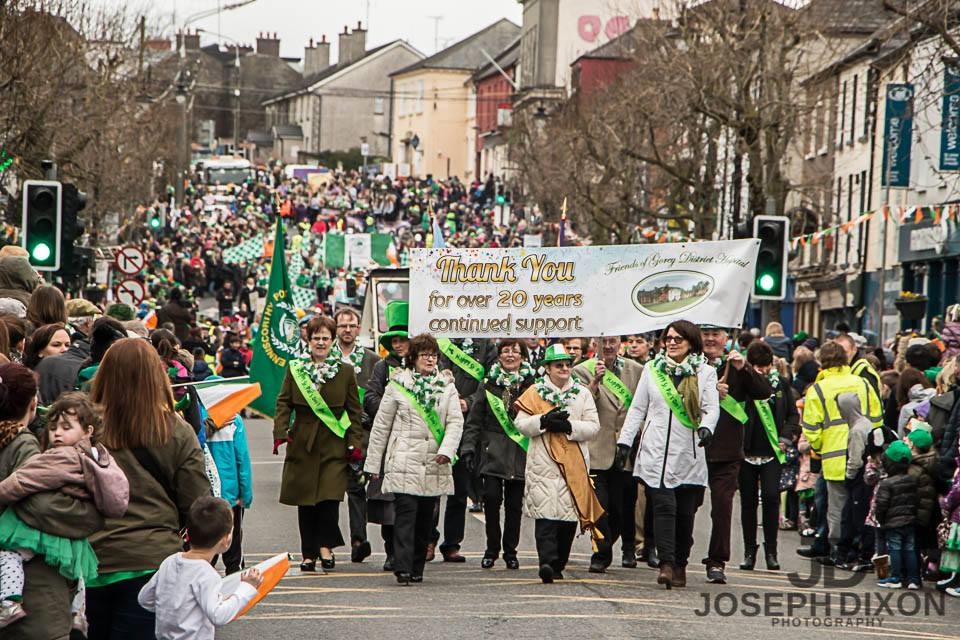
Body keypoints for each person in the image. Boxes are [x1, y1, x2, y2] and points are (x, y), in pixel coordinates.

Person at [86, 338, 211, 640]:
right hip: (151, 560)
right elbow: (197, 502)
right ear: (156, 376)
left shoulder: (82, 429)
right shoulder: (175, 430)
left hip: (87, 559)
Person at [0, 392, 129, 633]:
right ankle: (78, 612)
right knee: (76, 573)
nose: (57, 433)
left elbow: (23, 480)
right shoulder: (98, 457)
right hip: (72, 535)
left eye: (66, 427)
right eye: (53, 428)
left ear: (88, 431)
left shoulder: (60, 456)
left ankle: (8, 601)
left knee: (11, 554)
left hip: (39, 532)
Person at [617, 320, 719, 589]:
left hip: (688, 453)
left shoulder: (705, 372)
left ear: (691, 343)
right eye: (668, 338)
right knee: (663, 507)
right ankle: (666, 563)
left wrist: (707, 427)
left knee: (685, 514)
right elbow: (638, 409)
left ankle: (680, 564)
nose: (672, 343)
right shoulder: (652, 369)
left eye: (678, 339)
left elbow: (711, 408)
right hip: (655, 452)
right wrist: (625, 442)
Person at [364, 334, 463, 585]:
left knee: (425, 519)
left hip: (433, 461)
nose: (430, 360)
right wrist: (373, 465)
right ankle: (403, 566)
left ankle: (417, 565)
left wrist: (447, 450)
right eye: (424, 355)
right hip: (404, 459)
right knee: (405, 514)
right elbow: (381, 426)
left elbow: (455, 422)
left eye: (433, 355)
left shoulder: (447, 386)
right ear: (413, 358)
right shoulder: (398, 385)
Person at [273, 316, 363, 573]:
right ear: (308, 340)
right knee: (306, 502)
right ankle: (308, 553)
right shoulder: (295, 368)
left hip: (334, 442)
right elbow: (284, 402)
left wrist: (355, 442)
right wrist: (280, 431)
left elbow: (354, 411)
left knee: (329, 498)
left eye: (325, 338)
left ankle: (325, 546)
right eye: (316, 338)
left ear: (332, 340)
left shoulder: (345, 371)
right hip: (303, 442)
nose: (321, 343)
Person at [515, 343, 602, 584]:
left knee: (567, 519)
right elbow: (520, 424)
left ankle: (559, 564)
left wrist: (569, 426)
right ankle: (546, 562)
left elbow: (593, 426)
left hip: (573, 464)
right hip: (543, 464)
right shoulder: (534, 392)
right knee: (544, 517)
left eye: (567, 365)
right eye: (558, 365)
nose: (564, 369)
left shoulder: (582, 393)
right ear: (548, 368)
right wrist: (543, 421)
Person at [700, 324, 773, 584]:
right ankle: (675, 556)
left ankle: (717, 561)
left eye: (716, 334)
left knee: (722, 508)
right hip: (693, 449)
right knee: (685, 508)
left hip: (727, 450)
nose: (710, 339)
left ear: (725, 338)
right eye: (706, 334)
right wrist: (710, 391)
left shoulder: (736, 366)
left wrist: (745, 368)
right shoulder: (689, 366)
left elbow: (764, 392)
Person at [798, 340, 882, 564]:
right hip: (862, 454)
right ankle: (857, 549)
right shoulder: (862, 383)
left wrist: (819, 447)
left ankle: (837, 551)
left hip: (833, 456)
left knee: (836, 508)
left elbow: (811, 428)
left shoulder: (818, 389)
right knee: (859, 506)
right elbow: (876, 418)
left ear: (821, 362)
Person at [137, 496, 262, 640]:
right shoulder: (207, 574)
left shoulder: (169, 562)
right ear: (226, 540)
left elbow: (144, 598)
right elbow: (219, 615)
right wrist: (247, 587)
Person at [461, 339, 535, 569]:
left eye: (515, 351)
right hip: (492, 451)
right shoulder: (488, 384)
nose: (510, 355)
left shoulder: (532, 385)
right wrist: (468, 447)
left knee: (514, 505)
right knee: (491, 500)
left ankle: (510, 551)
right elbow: (474, 420)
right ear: (499, 356)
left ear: (523, 356)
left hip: (520, 451)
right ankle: (492, 548)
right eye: (505, 351)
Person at [574, 335, 643, 572]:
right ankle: (600, 554)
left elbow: (643, 407)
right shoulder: (581, 371)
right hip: (597, 449)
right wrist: (595, 382)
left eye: (613, 341)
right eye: (603, 342)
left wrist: (636, 431)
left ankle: (621, 547)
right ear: (595, 345)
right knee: (599, 507)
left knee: (622, 507)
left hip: (625, 449)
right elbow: (579, 406)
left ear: (620, 343)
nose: (608, 346)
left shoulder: (636, 370)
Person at [737, 341, 799, 571]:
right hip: (746, 452)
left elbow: (792, 415)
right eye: (757, 367)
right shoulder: (742, 384)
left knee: (772, 498)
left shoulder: (781, 384)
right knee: (748, 502)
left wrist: (785, 437)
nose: (762, 371)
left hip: (772, 452)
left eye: (766, 366)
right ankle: (749, 551)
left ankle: (771, 552)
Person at [435, 335, 496, 563]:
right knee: (430, 486)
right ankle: (427, 540)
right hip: (437, 419)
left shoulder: (487, 345)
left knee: (459, 489)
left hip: (467, 423)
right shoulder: (442, 342)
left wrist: (469, 402)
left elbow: (490, 380)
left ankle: (452, 543)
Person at [363, 301, 409, 571]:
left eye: (403, 339)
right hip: (390, 439)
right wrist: (394, 409)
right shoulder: (382, 367)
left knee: (412, 501)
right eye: (395, 340)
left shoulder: (423, 367)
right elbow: (370, 397)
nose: (399, 344)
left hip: (414, 441)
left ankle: (411, 551)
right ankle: (392, 552)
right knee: (388, 502)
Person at [332, 307, 380, 564]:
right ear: (335, 328)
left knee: (357, 487)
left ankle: (358, 541)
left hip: (360, 434)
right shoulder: (324, 356)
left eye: (352, 325)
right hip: (331, 433)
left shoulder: (372, 360)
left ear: (359, 329)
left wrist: (367, 415)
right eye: (343, 326)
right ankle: (325, 544)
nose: (347, 330)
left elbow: (377, 395)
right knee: (328, 492)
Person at [206, 401, 253, 576]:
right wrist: (245, 495)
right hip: (230, 494)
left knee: (205, 541)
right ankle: (234, 579)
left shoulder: (195, 419)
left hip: (205, 492)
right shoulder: (234, 419)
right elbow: (242, 460)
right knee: (233, 546)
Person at [874, 441, 920, 589]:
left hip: (893, 522)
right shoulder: (914, 480)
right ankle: (913, 579)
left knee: (895, 549)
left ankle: (895, 577)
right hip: (910, 521)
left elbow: (881, 505)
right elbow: (918, 501)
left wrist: (881, 520)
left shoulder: (887, 483)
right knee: (910, 549)